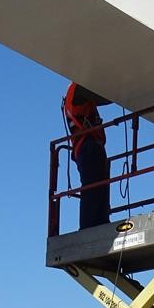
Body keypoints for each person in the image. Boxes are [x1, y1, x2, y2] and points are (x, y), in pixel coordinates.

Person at [62, 82, 112, 229]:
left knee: (100, 186)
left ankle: (99, 222)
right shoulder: (77, 89)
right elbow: (107, 96)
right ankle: (89, 226)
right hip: (87, 146)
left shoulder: (78, 92)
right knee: (92, 187)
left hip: (91, 146)